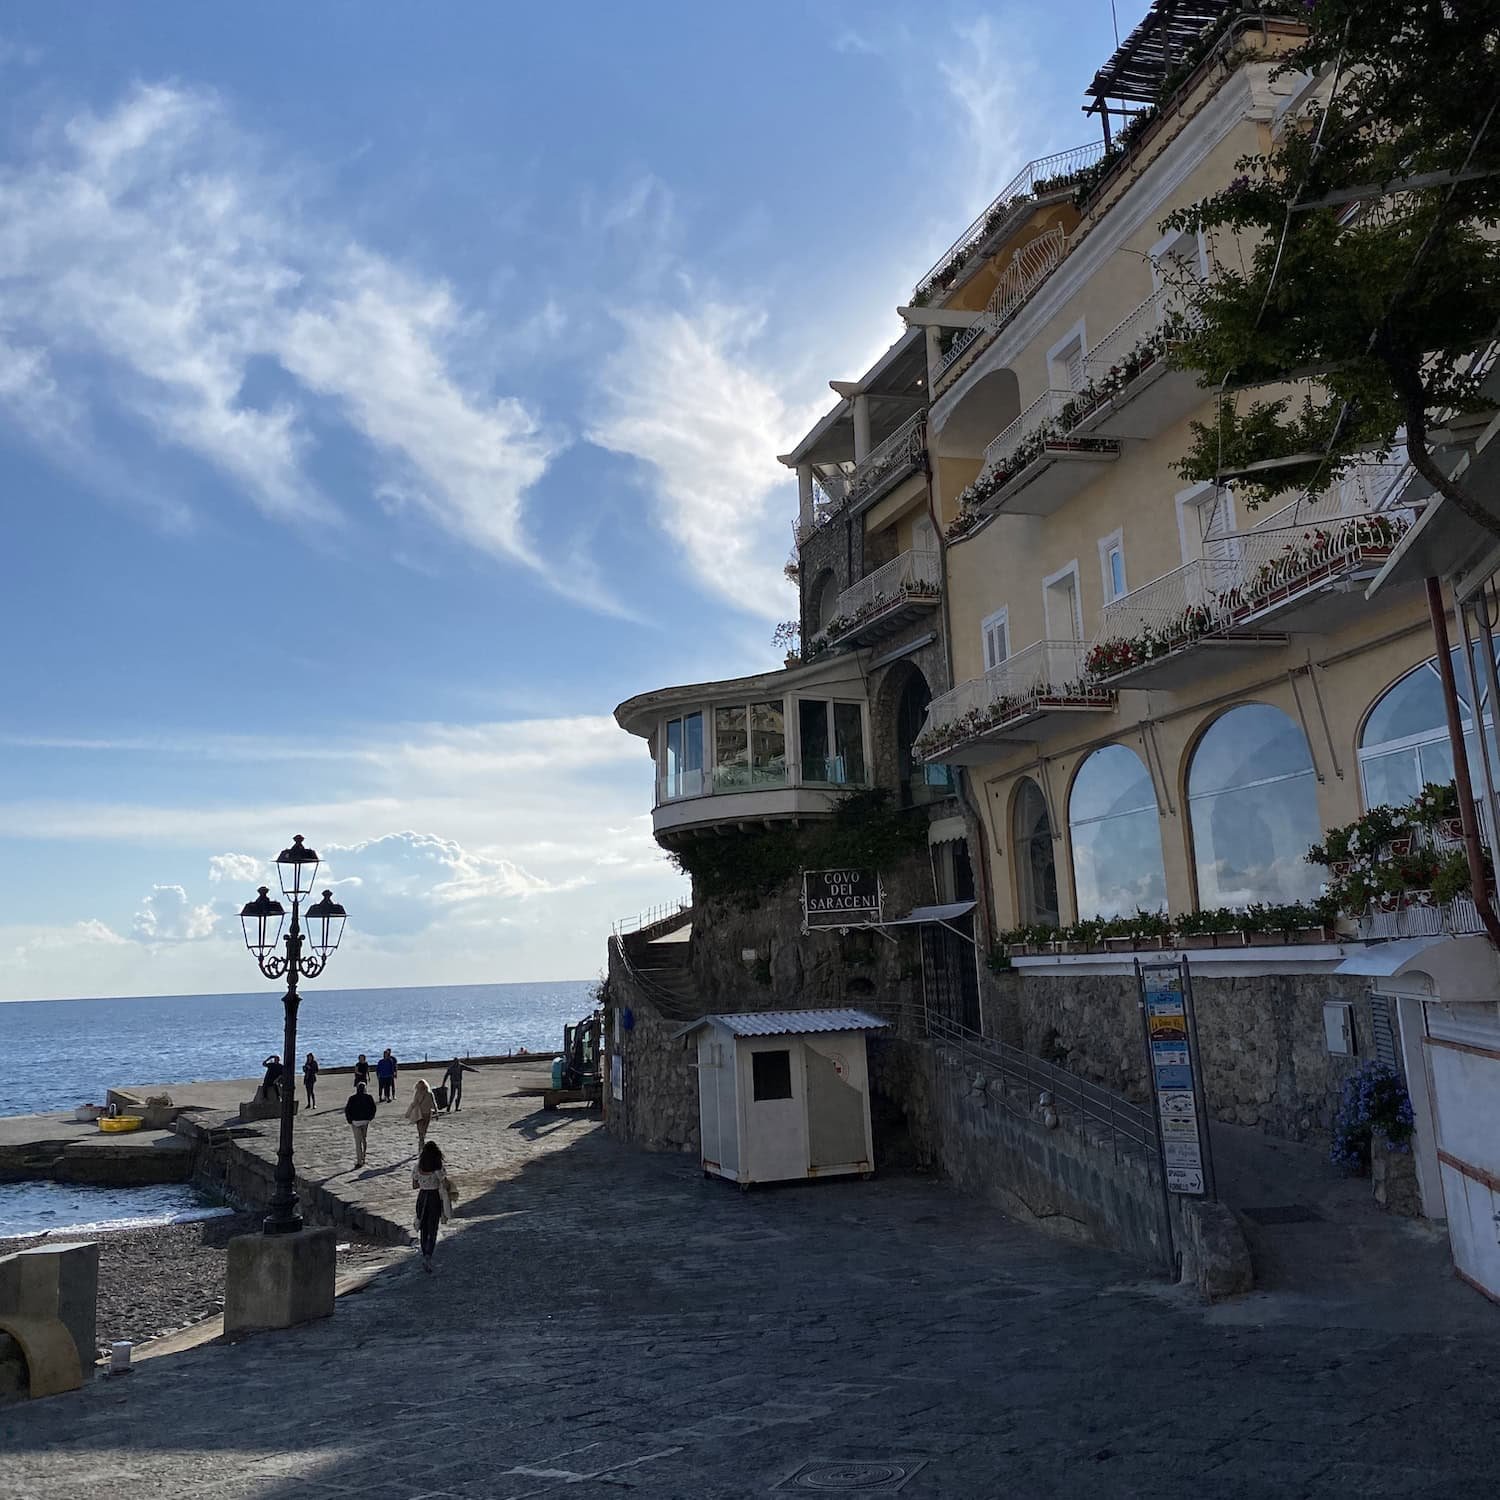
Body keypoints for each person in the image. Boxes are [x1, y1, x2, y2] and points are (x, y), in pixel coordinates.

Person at [410, 1140, 454, 1272]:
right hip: (434, 1198)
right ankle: (428, 1256)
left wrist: (424, 1182)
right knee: (432, 1227)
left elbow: (414, 1185)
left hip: (422, 1197)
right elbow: (445, 1184)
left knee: (423, 1226)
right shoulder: (438, 1169)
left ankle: (424, 1253)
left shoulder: (418, 1167)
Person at [344, 1079, 376, 1167]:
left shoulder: (352, 1098)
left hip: (355, 1122)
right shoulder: (369, 1097)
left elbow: (347, 1110)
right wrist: (370, 1118)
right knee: (364, 1139)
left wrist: (350, 1121)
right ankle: (364, 1157)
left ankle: (359, 1161)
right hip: (365, 1120)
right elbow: (373, 1108)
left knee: (358, 1142)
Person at [404, 1078, 437, 1150]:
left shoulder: (418, 1093)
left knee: (420, 1129)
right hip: (427, 1113)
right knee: (424, 1128)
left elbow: (415, 1103)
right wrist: (436, 1112)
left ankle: (421, 1141)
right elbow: (433, 1103)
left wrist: (409, 1111)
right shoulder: (429, 1093)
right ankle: (422, 1141)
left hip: (420, 1113)